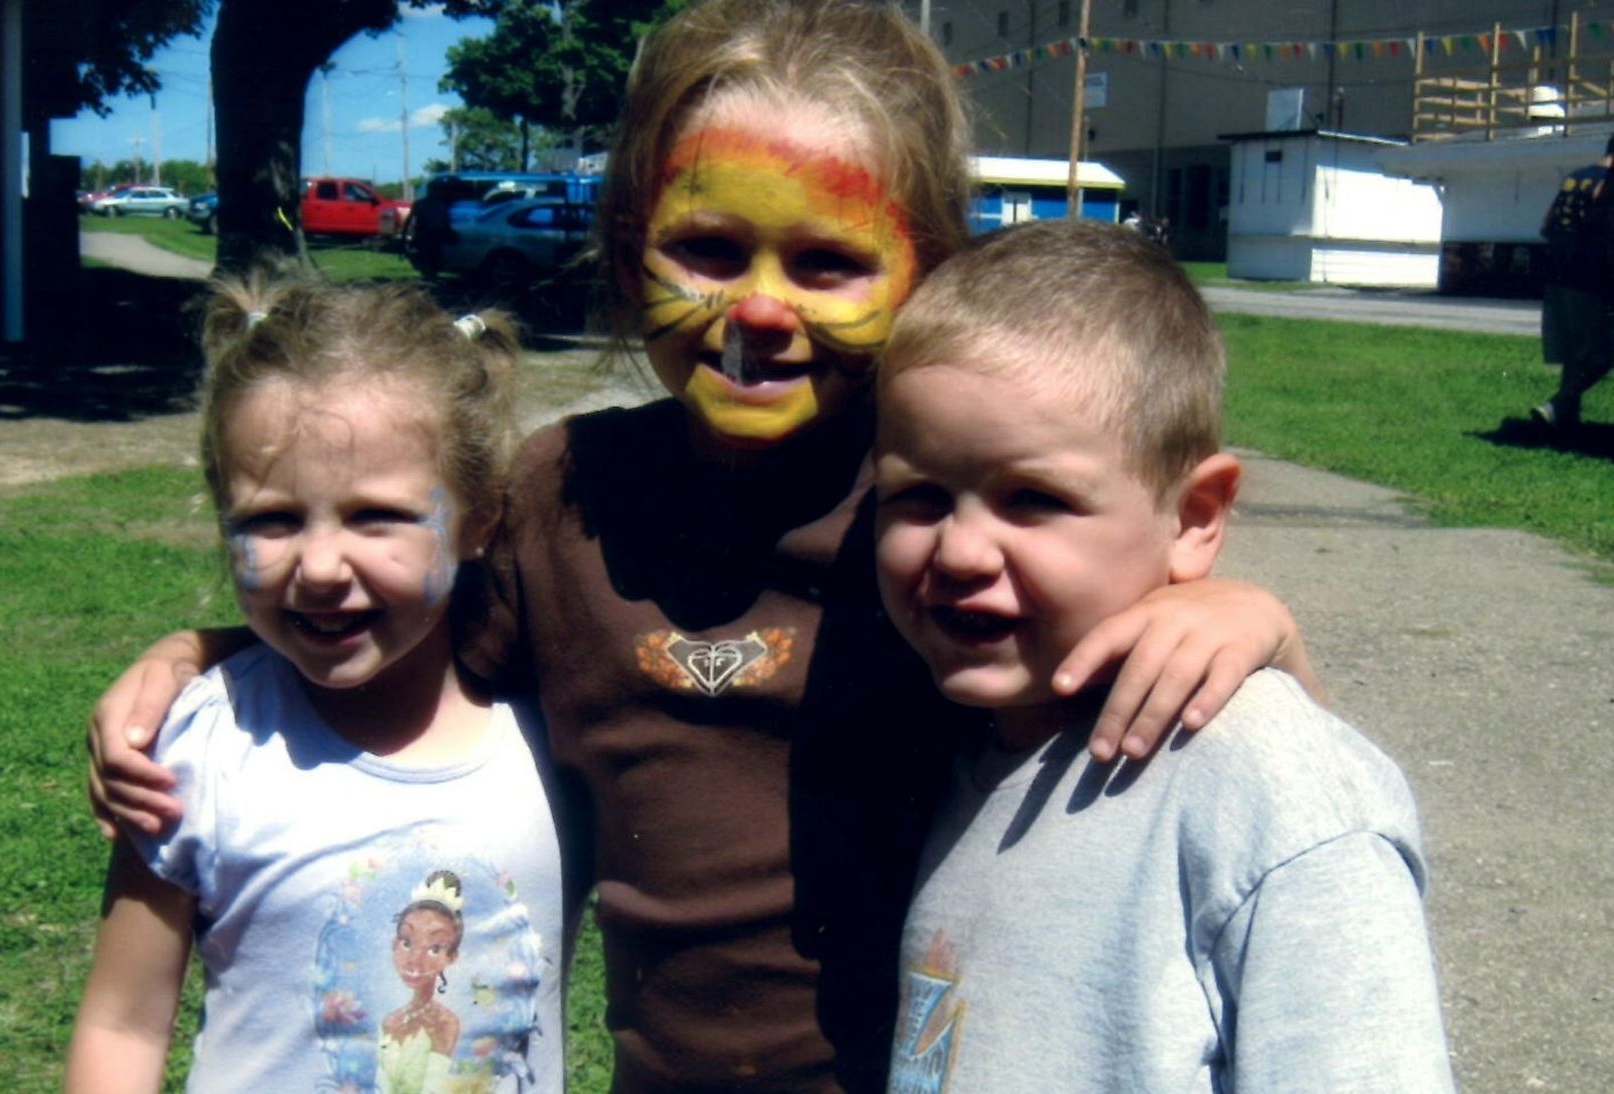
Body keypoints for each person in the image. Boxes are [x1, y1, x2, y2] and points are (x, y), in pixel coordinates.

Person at [87, 3, 1322, 1089]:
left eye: (831, 261)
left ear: (926, 269)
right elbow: (386, 621)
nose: (760, 313)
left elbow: (1217, 753)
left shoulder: (946, 529)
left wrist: (1251, 617)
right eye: (711, 251)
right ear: (630, 246)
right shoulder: (558, 498)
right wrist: (205, 650)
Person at [874, 220, 1453, 1092]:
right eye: (918, 495)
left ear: (1194, 518)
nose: (959, 551)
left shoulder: (1268, 792)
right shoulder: (962, 742)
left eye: (1031, 498)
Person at [65, 272, 563, 1093]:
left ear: (480, 519)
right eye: (272, 519)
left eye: (377, 516)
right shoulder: (195, 748)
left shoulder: (557, 727)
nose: (322, 569)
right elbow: (121, 1025)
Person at [1532, 134, 1614, 432]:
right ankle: (1557, 403)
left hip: (1557, 275)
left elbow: (1546, 225)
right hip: (1589, 278)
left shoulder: (1574, 178)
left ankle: (1565, 419)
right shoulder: (1607, 183)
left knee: (1574, 353)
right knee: (1602, 353)